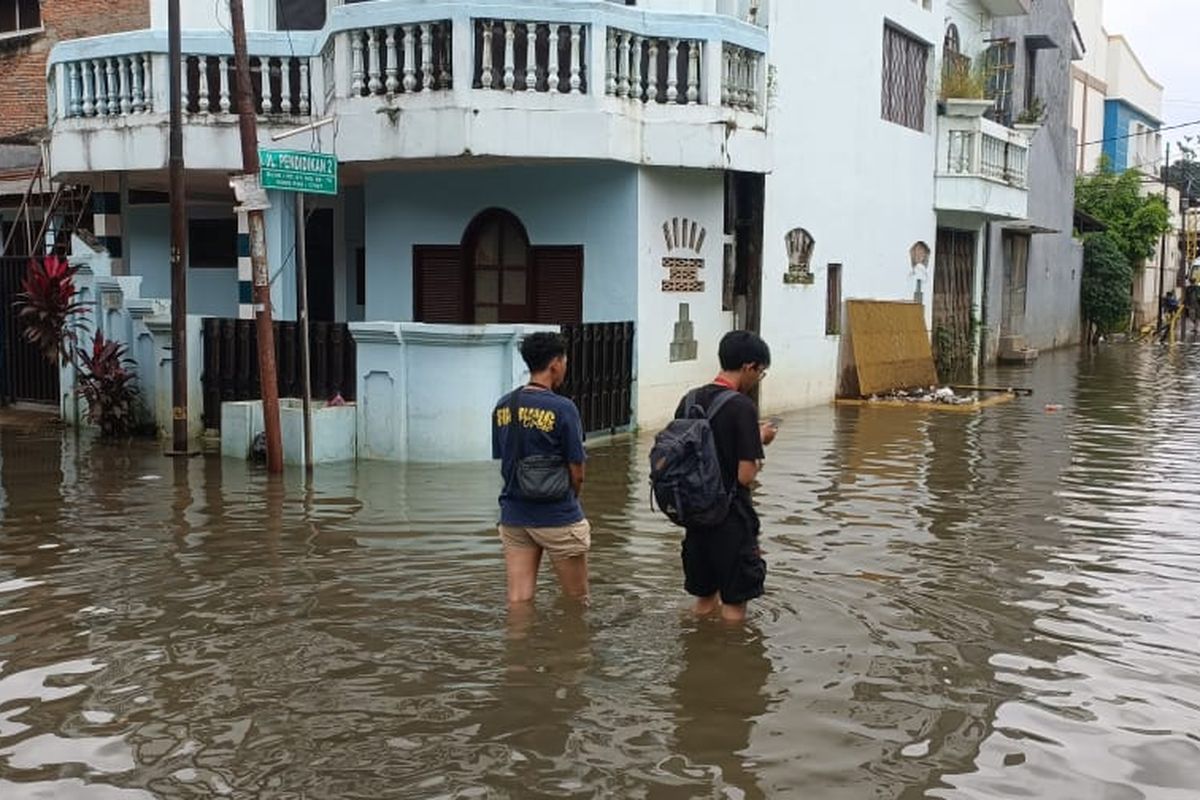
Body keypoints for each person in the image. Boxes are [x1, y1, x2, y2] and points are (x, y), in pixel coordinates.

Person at [673, 330, 777, 623]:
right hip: (730, 518)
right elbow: (745, 476)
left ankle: (699, 651)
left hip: (694, 514)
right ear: (749, 367)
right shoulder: (742, 406)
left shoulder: (689, 399)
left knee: (704, 598)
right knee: (735, 602)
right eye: (761, 372)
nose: (758, 378)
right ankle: (729, 659)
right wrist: (760, 440)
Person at [492, 332, 590, 606]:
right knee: (578, 601)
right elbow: (577, 469)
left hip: (514, 516)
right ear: (556, 363)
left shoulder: (503, 406)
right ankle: (573, 648)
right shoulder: (563, 408)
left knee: (518, 601)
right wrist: (572, 502)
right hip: (558, 516)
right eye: (565, 360)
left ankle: (517, 647)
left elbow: (505, 458)